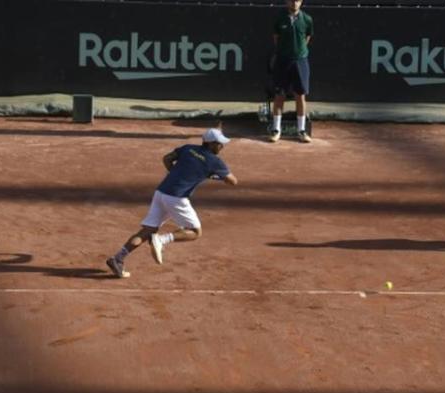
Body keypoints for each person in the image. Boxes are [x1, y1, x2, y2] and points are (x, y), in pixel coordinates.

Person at [105, 128, 237, 279]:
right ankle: (161, 240)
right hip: (176, 197)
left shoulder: (188, 149)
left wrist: (175, 173)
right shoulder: (214, 161)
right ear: (212, 144)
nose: (222, 147)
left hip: (161, 192)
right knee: (195, 232)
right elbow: (233, 181)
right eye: (220, 144)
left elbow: (167, 158)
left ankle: (118, 258)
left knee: (147, 230)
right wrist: (214, 176)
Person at [268, 0, 314, 143]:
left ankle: (301, 131)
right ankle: (276, 130)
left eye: (297, 0)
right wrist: (285, 52)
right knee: (279, 95)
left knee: (300, 95)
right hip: (283, 61)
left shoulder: (307, 19)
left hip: (300, 61)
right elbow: (276, 38)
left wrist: (297, 52)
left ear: (301, 2)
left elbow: (307, 37)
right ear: (287, 1)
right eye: (292, 0)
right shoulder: (279, 18)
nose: (294, 3)